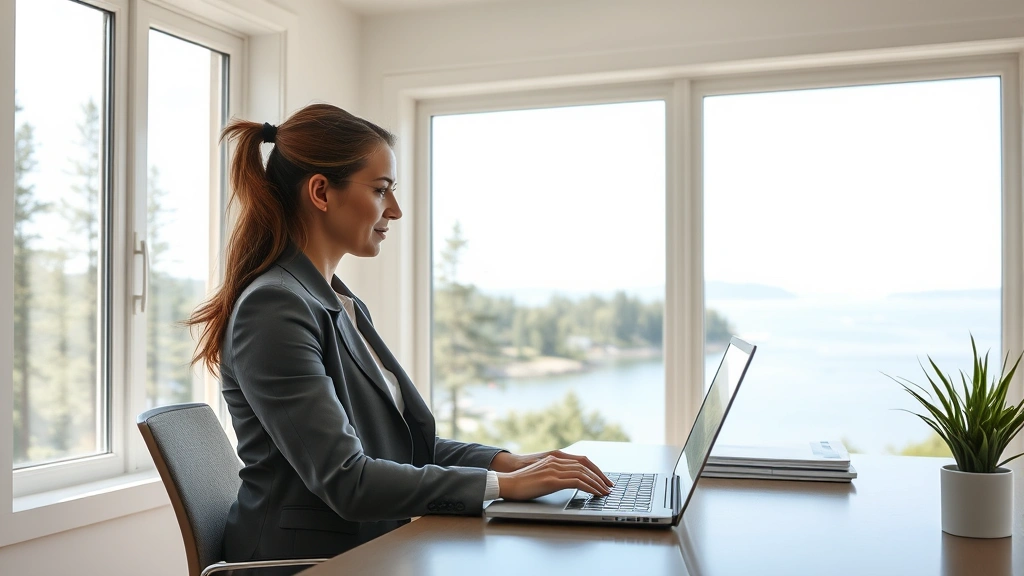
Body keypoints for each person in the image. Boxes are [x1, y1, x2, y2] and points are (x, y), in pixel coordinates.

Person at [187, 103, 613, 567]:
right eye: (381, 190)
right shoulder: (273, 309)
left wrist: (506, 462)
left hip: (369, 547)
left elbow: (397, 443)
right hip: (304, 562)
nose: (395, 209)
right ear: (321, 192)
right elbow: (347, 480)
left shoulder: (335, 301)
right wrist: (503, 489)